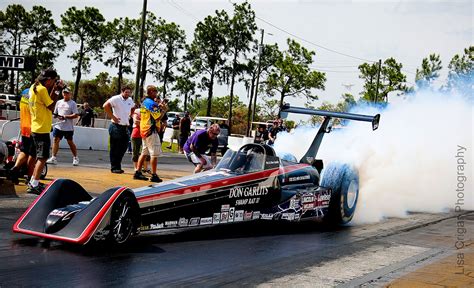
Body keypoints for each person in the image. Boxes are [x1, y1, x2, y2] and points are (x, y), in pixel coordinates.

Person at [26, 68, 62, 195]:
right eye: (53, 81)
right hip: (42, 128)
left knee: (33, 155)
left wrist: (55, 89)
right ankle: (34, 183)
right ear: (49, 80)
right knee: (43, 157)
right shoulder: (41, 89)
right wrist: (58, 89)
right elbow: (51, 106)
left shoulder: (33, 87)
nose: (54, 83)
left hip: (35, 126)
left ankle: (31, 180)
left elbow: (46, 103)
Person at [134, 85, 167, 182]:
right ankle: (154, 175)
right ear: (151, 92)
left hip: (144, 129)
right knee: (154, 154)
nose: (156, 93)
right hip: (151, 130)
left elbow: (151, 114)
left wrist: (159, 107)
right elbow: (157, 118)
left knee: (144, 152)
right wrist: (164, 110)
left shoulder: (144, 102)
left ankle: (138, 172)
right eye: (155, 91)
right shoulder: (152, 104)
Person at [103, 86, 134, 174]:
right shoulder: (116, 98)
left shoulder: (130, 100)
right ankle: (114, 167)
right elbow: (105, 106)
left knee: (123, 147)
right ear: (122, 91)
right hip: (116, 126)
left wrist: (130, 116)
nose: (128, 94)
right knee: (115, 147)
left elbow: (133, 107)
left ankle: (118, 165)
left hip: (125, 126)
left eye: (129, 92)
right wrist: (113, 116)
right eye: (126, 92)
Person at [7, 88, 36, 184]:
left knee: (24, 150)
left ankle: (15, 169)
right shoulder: (37, 93)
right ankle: (30, 178)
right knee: (33, 154)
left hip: (24, 126)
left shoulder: (24, 93)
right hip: (34, 127)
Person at [46, 87, 80, 166]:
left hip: (68, 128)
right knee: (55, 140)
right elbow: (55, 114)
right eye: (64, 93)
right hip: (58, 126)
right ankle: (53, 158)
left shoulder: (73, 103)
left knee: (70, 142)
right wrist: (57, 116)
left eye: (67, 93)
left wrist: (66, 116)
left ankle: (75, 157)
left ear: (70, 94)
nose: (65, 94)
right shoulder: (58, 102)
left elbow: (76, 115)